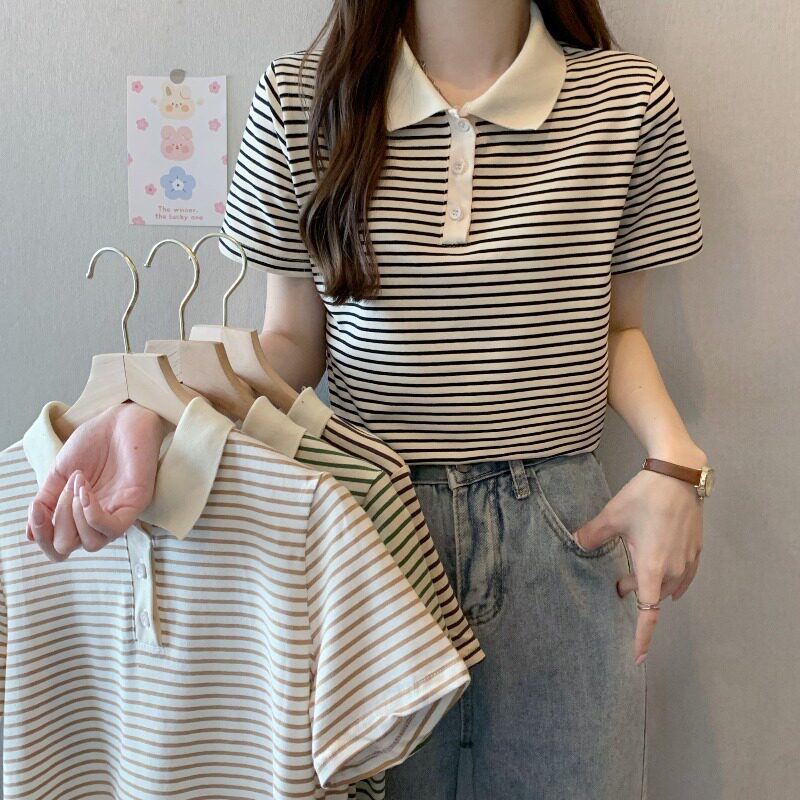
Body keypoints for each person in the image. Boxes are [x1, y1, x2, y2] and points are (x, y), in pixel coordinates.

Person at [26, 1, 713, 797]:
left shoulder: (628, 100)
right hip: (364, 529)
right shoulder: (299, 100)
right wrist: (157, 411)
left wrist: (676, 460)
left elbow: (617, 328)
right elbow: (292, 343)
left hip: (561, 533)